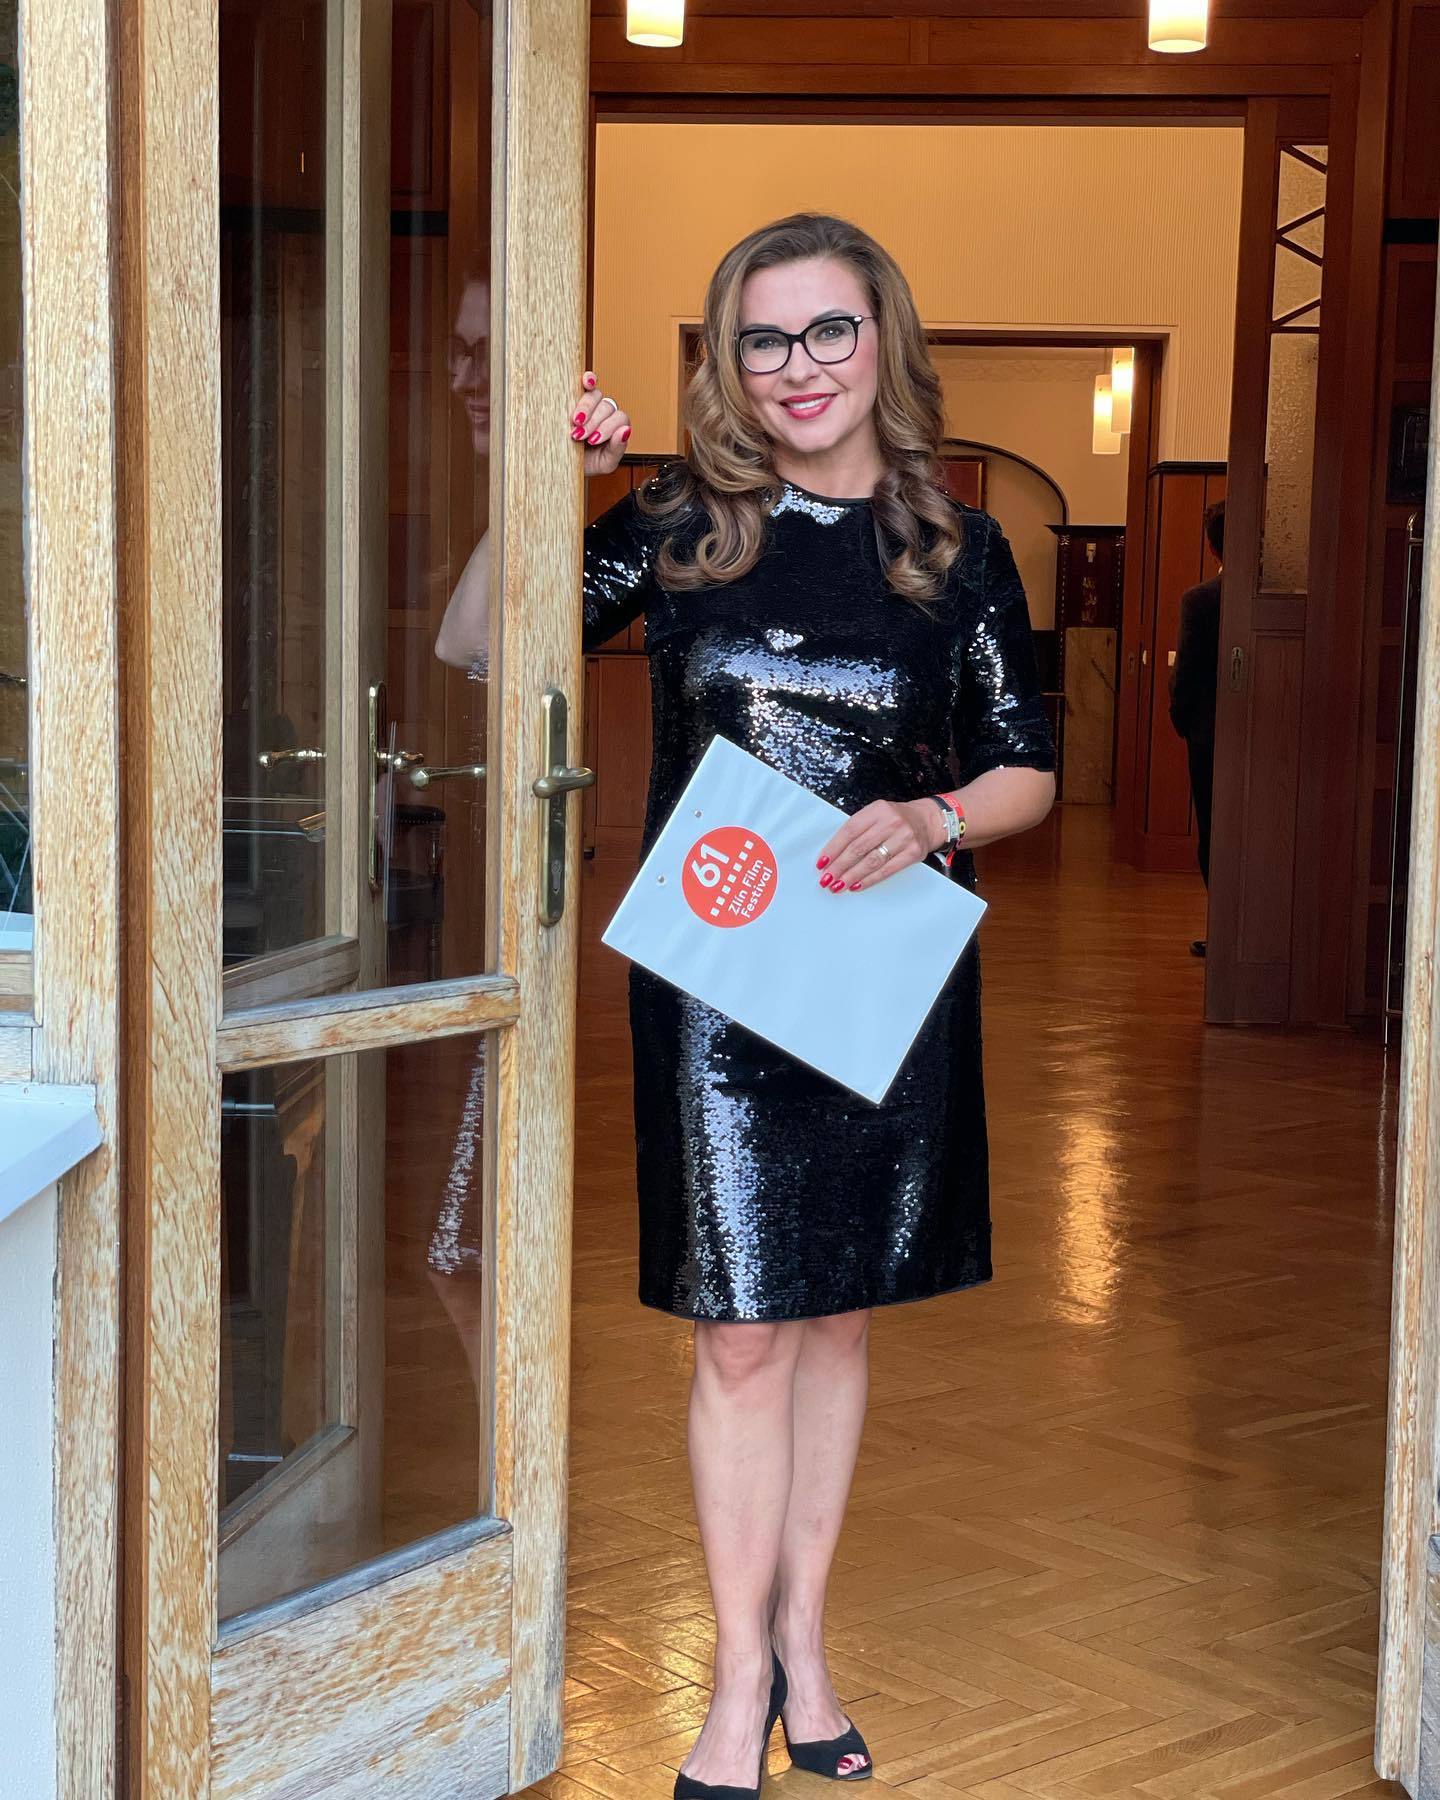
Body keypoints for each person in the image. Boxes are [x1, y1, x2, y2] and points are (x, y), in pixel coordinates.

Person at [436, 212, 1056, 1798]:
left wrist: (935, 816)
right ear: (729, 361)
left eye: (828, 330)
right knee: (739, 1339)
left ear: (883, 339)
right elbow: (476, 643)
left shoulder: (959, 547)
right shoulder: (677, 524)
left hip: (879, 973)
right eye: (762, 339)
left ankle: (806, 1650)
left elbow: (1028, 770)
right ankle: (732, 1681)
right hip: (720, 994)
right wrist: (544, 476)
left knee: (836, 1317)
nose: (799, 367)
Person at [1168, 499, 1225, 958]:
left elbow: (1186, 671)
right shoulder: (1278, 597)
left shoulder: (1201, 599)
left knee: (1213, 830)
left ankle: (1222, 929)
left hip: (1208, 733)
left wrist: (1181, 718)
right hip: (1273, 737)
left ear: (1211, 546)